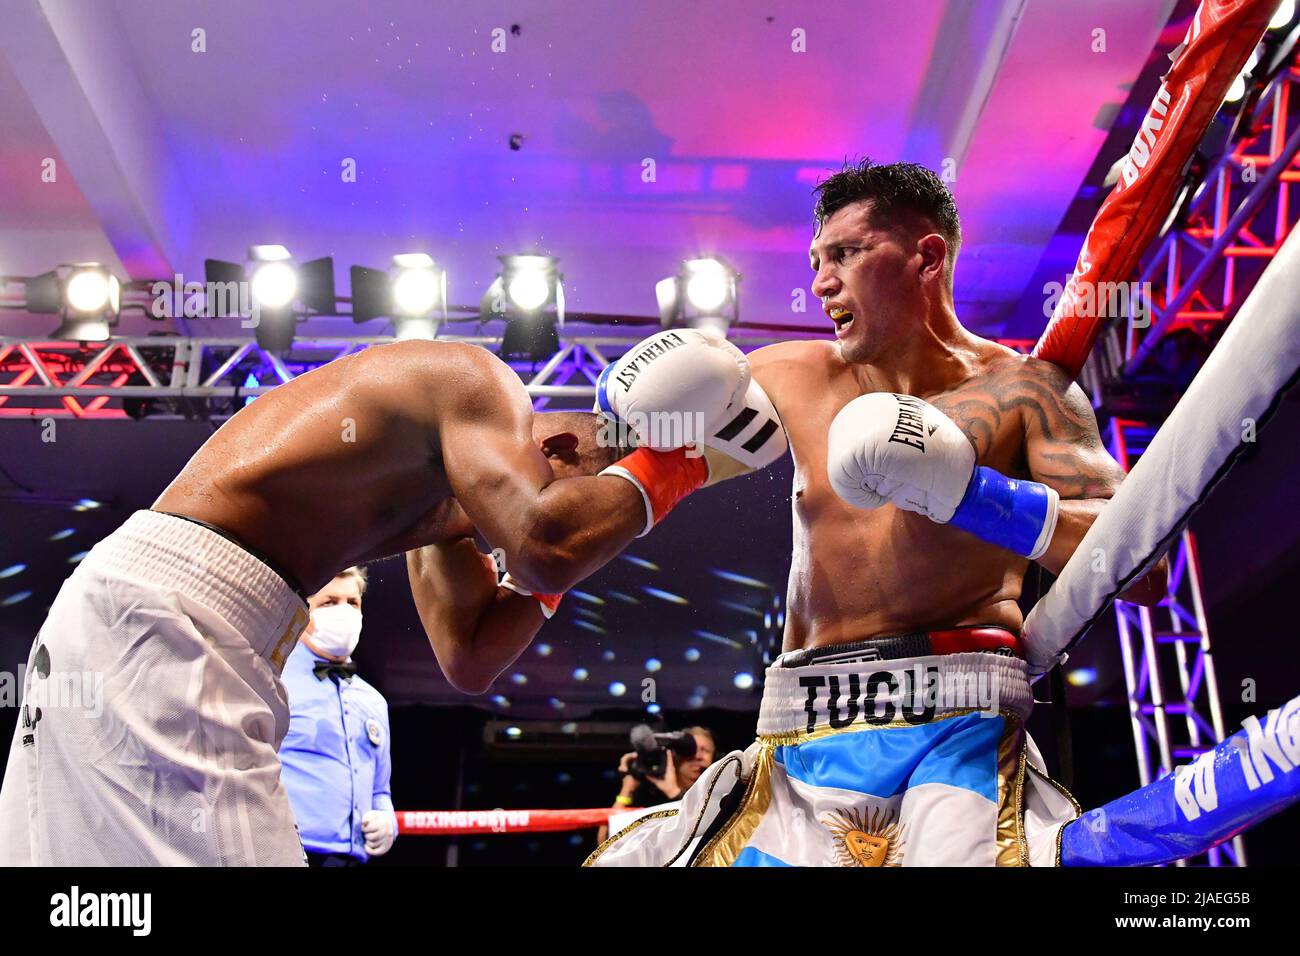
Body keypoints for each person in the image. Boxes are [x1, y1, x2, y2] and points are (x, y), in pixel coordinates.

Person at [0, 337, 781, 866]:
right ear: (561, 451)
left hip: (147, 613)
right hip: (177, 611)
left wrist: (570, 554)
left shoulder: (439, 501)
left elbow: (470, 656)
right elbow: (545, 541)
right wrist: (679, 469)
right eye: (587, 510)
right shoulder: (475, 384)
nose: (580, 543)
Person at [587, 160, 1170, 867]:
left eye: (845, 253)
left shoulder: (1027, 395)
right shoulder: (789, 375)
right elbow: (609, 465)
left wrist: (973, 496)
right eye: (816, 260)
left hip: (955, 727)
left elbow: (1143, 570)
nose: (821, 281)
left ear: (926, 255)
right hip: (801, 728)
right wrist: (592, 428)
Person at [279, 567, 396, 866]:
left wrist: (387, 819)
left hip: (351, 859)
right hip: (284, 854)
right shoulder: (272, 684)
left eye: (352, 603)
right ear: (302, 612)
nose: (343, 612)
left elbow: (380, 789)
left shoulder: (373, 702)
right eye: (329, 602)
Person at [595, 727, 716, 846]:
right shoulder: (651, 793)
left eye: (705, 750)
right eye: (690, 750)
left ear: (714, 757)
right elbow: (604, 842)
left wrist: (673, 792)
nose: (698, 756)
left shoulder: (717, 795)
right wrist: (627, 789)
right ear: (675, 756)